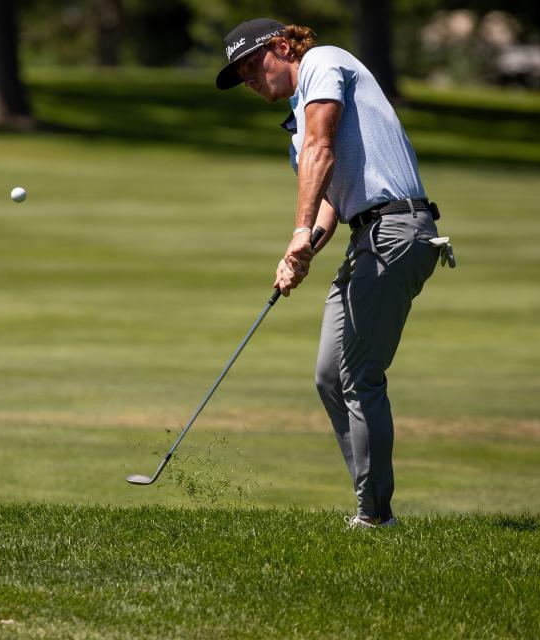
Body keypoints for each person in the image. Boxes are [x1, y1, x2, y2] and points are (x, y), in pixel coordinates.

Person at [216, 18, 444, 528]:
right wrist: (300, 250)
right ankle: (372, 505)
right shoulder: (295, 127)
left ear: (282, 47)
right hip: (367, 234)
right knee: (329, 376)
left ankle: (373, 517)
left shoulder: (322, 62)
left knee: (359, 376)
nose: (249, 79)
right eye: (240, 75)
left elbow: (323, 147)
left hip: (396, 229)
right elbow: (329, 207)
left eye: (252, 65)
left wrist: (300, 233)